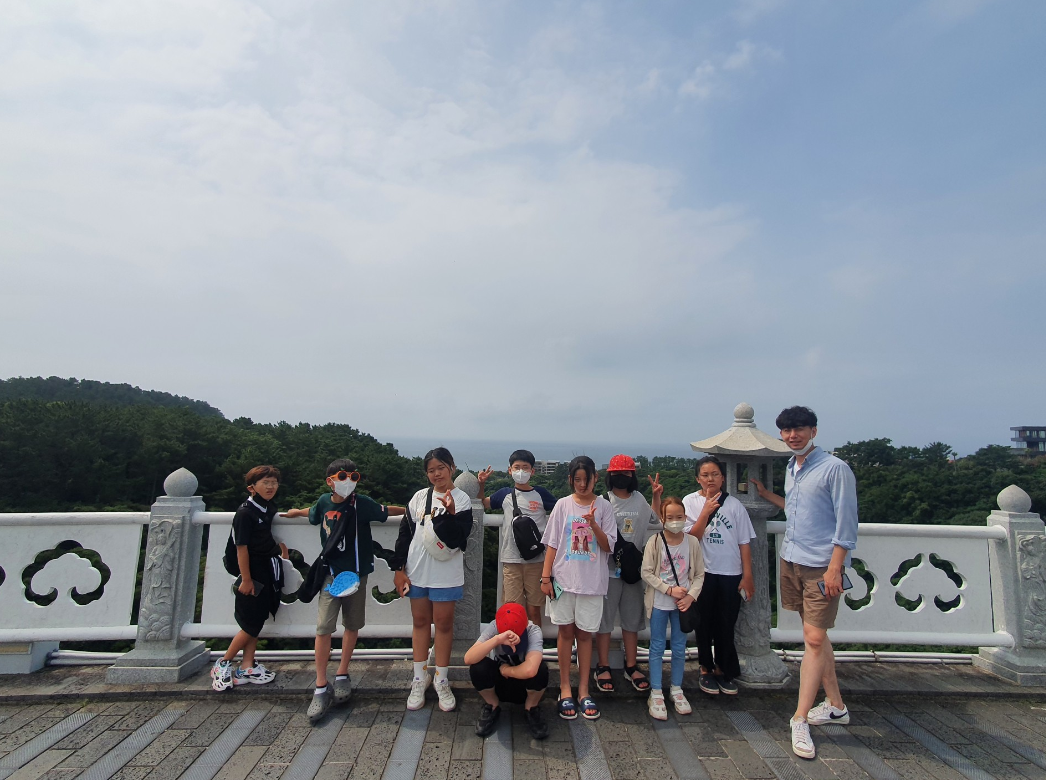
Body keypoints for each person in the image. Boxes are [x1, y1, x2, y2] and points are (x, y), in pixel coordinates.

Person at [750, 406, 858, 761]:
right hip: (791, 559)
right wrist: (766, 495)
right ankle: (836, 705)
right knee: (816, 636)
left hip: (821, 566)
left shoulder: (835, 468)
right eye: (786, 430)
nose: (792, 435)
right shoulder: (792, 467)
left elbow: (846, 523)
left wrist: (835, 568)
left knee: (812, 638)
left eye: (798, 429)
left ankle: (799, 718)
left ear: (813, 431)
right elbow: (796, 509)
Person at [281, 459, 406, 723]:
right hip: (331, 574)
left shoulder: (362, 503)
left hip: (357, 575)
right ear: (330, 481)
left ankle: (342, 673)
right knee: (323, 628)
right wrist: (296, 513)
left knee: (352, 624)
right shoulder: (324, 502)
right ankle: (320, 685)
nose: (348, 481)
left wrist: (414, 510)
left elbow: (387, 511)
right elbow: (313, 512)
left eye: (353, 476)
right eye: (342, 476)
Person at [391, 447, 474, 712]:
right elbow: (405, 534)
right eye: (431, 470)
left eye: (441, 468)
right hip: (416, 570)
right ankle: (419, 678)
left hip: (446, 573)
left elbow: (458, 539)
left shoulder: (462, 500)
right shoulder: (419, 497)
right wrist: (398, 568)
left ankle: (442, 678)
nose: (437, 474)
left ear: (452, 467)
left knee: (444, 624)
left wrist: (450, 515)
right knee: (419, 622)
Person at [539, 455, 617, 721]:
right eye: (577, 479)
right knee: (564, 633)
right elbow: (552, 544)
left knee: (585, 635)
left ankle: (583, 690)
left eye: (587, 479)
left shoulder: (604, 507)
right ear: (570, 479)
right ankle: (564, 688)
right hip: (564, 579)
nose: (582, 485)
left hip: (592, 583)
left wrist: (593, 524)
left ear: (596, 478)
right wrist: (546, 577)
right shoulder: (563, 505)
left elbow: (608, 546)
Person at [682, 455, 755, 697]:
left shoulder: (734, 505)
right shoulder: (690, 502)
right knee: (703, 623)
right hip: (702, 573)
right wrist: (705, 512)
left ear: (723, 478)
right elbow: (692, 538)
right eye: (705, 475)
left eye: (715, 474)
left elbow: (744, 543)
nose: (710, 479)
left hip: (730, 572)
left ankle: (724, 669)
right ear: (697, 479)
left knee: (726, 623)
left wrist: (747, 576)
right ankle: (705, 667)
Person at [211, 465, 289, 692]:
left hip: (266, 568)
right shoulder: (246, 513)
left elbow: (268, 535)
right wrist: (246, 579)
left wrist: (282, 552)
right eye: (266, 483)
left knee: (257, 620)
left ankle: (247, 666)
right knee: (250, 623)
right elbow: (241, 548)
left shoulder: (267, 507)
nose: (271, 487)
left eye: (274, 483)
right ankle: (223, 662)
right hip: (252, 572)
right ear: (251, 487)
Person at [593, 455, 663, 694]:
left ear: (632, 476)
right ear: (609, 476)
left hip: (634, 571)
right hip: (607, 570)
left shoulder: (640, 499)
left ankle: (631, 665)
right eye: (617, 473)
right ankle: (603, 665)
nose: (621, 477)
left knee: (632, 621)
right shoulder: (603, 501)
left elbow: (655, 519)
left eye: (626, 473)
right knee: (604, 622)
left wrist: (656, 496)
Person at [477, 450, 557, 626]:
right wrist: (481, 484)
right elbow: (484, 503)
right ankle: (517, 643)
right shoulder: (504, 494)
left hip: (536, 560)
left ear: (532, 471)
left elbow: (560, 510)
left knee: (534, 609)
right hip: (511, 559)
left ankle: (534, 641)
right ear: (510, 470)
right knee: (513, 609)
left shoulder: (541, 494)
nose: (521, 471)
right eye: (517, 467)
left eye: (525, 468)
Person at [641, 497, 704, 720]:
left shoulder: (692, 542)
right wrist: (668, 590)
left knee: (679, 647)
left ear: (685, 517)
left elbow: (699, 574)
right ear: (662, 518)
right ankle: (656, 691)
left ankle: (677, 688)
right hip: (660, 602)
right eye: (670, 517)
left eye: (679, 517)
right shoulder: (655, 541)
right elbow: (646, 572)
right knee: (657, 646)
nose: (675, 521)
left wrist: (690, 596)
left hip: (682, 604)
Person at [464, 602, 550, 740]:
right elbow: (468, 658)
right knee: (478, 667)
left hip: (523, 685)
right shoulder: (494, 627)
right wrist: (497, 639)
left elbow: (530, 670)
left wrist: (506, 670)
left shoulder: (533, 630)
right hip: (498, 685)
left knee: (540, 669)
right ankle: (492, 705)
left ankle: (531, 708)